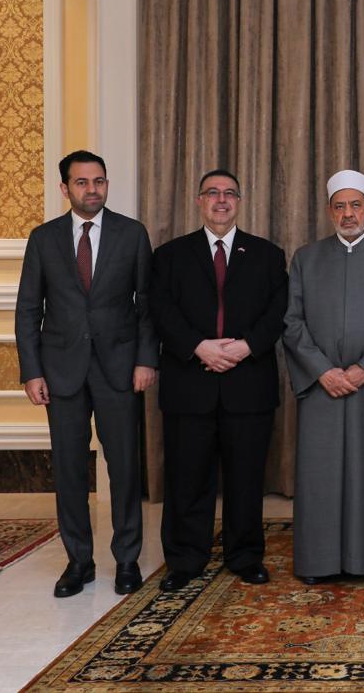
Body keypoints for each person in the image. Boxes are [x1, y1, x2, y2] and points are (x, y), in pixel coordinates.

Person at [14, 150, 158, 598]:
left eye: (99, 181)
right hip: (61, 372)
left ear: (106, 184)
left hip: (120, 370)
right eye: (82, 182)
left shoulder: (132, 234)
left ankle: (127, 559)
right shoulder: (43, 239)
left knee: (125, 469)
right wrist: (32, 372)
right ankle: (79, 561)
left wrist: (146, 360)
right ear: (65, 188)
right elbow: (28, 309)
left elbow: (147, 305)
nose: (92, 189)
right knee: (70, 469)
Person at [150, 169, 288, 592]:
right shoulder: (170, 255)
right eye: (212, 192)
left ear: (240, 202)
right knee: (187, 479)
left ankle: (245, 557)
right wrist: (199, 347)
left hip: (249, 385)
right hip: (189, 384)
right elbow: (160, 310)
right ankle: (184, 560)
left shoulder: (267, 254)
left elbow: (279, 310)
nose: (221, 200)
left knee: (246, 480)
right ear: (199, 201)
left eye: (229, 193)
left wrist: (246, 347)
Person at [283, 170, 364, 585]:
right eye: (339, 206)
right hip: (322, 387)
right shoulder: (305, 258)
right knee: (321, 476)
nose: (348, 214)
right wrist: (322, 371)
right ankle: (319, 563)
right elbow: (292, 322)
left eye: (355, 205)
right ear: (329, 211)